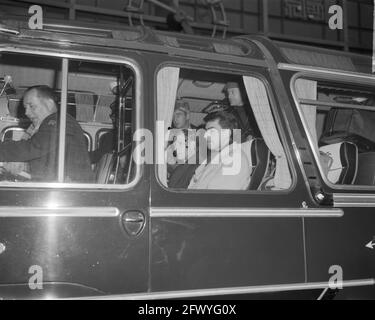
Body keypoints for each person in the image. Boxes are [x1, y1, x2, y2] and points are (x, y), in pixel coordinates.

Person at [0, 85, 94, 182]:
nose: (26, 112)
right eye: (25, 108)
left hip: (71, 191)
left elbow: (34, 147)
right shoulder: (42, 127)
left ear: (49, 104)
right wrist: (21, 165)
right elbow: (44, 164)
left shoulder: (60, 121)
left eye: (31, 106)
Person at [188, 111, 251, 190]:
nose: (205, 135)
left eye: (211, 131)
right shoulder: (214, 155)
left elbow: (217, 198)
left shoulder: (235, 160)